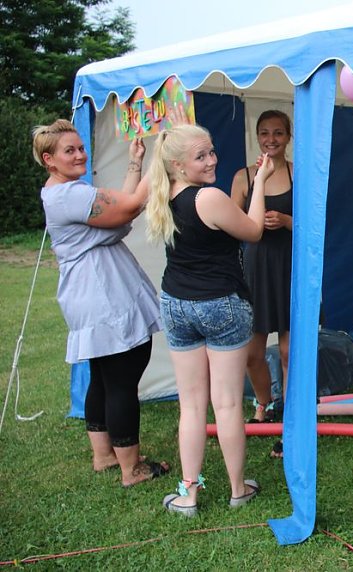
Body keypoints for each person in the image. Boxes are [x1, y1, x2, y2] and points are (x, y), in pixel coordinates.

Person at [33, 119, 167, 487]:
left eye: (80, 148)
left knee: (105, 378)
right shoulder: (69, 195)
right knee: (122, 380)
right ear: (50, 159)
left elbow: (119, 208)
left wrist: (135, 162)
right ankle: (131, 469)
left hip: (89, 294)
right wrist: (162, 156)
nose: (79, 155)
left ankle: (104, 455)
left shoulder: (63, 192)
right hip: (102, 295)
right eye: (69, 151)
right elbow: (129, 207)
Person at [146, 123, 272, 516]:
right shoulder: (210, 197)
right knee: (229, 404)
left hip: (177, 304)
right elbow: (253, 231)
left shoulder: (162, 196)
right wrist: (261, 180)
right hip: (220, 304)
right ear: (178, 165)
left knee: (192, 406)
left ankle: (190, 494)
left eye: (212, 151)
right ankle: (238, 489)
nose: (212, 159)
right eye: (201, 156)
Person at [230, 110, 294, 423]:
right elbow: (230, 226)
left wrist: (285, 220)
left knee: (287, 352)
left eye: (278, 133)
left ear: (288, 137)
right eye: (265, 133)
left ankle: (293, 409)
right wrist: (253, 222)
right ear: (257, 137)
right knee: (251, 354)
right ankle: (264, 404)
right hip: (255, 272)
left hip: (290, 269)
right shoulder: (243, 177)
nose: (271, 139)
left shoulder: (299, 173)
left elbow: (315, 228)